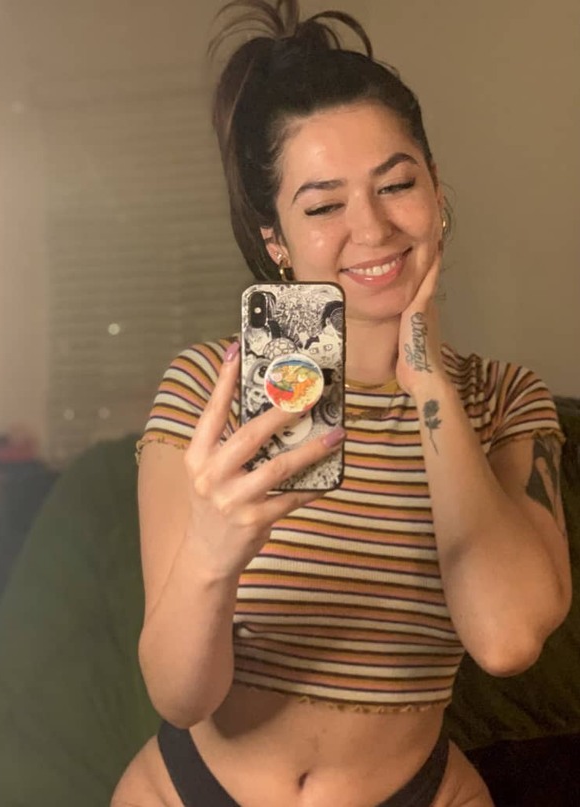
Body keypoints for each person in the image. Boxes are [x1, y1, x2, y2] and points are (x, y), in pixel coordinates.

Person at [111, 1, 571, 805]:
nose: (373, 227)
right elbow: (181, 695)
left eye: (397, 184)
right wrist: (213, 551)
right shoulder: (209, 388)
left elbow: (506, 640)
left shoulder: (503, 399)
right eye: (324, 205)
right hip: (186, 789)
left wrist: (427, 380)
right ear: (277, 241)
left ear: (436, 191)